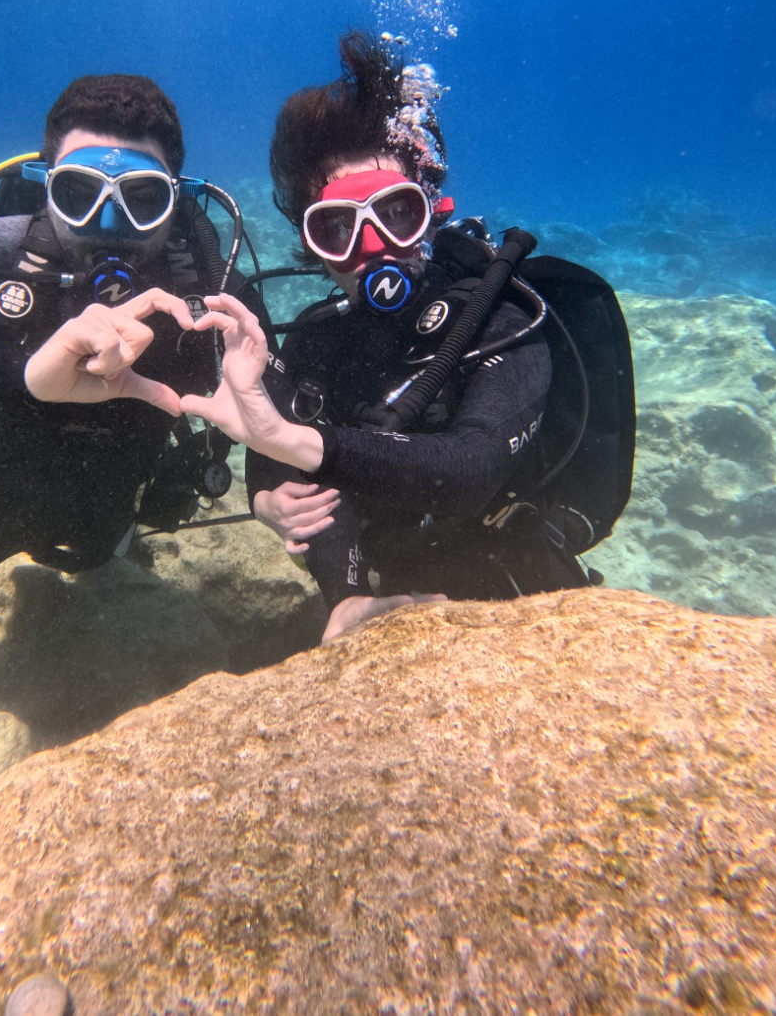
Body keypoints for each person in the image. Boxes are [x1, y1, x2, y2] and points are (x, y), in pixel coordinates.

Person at [182, 33, 633, 645]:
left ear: (432, 207)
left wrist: (295, 440)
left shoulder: (499, 315)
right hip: (386, 598)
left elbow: (473, 466)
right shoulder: (319, 339)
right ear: (310, 242)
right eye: (337, 227)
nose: (371, 247)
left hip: (521, 595)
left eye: (396, 212)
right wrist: (331, 583)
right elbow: (276, 465)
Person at [0, 73, 254, 658]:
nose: (109, 224)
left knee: (91, 559)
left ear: (176, 196)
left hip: (96, 496)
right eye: (79, 193)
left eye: (141, 199)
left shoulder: (205, 285)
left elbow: (279, 382)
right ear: (45, 186)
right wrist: (27, 374)